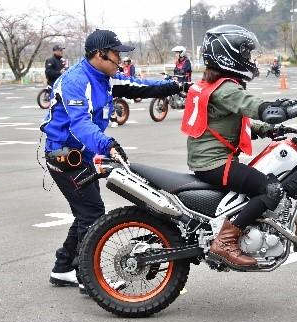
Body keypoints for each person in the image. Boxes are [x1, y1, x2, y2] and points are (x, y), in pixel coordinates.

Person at [41, 29, 190, 290]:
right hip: (65, 156)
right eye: (116, 54)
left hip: (83, 153)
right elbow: (80, 124)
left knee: (85, 211)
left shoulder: (104, 77)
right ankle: (89, 277)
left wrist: (174, 85)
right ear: (100, 54)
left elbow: (137, 86)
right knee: (92, 211)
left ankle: (64, 267)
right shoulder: (76, 81)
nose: (120, 59)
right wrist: (107, 144)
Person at [181, 25, 297, 267]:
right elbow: (268, 111)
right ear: (228, 55)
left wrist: (270, 131)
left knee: (262, 183)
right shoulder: (226, 89)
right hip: (215, 164)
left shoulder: (214, 85)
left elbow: (228, 124)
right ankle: (226, 242)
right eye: (245, 53)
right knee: (271, 190)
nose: (249, 58)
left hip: (209, 160)